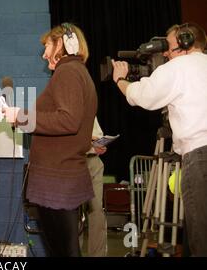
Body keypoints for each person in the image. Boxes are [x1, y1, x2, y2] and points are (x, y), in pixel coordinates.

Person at [112, 22, 207, 256]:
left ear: (185, 42)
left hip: (199, 156)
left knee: (201, 238)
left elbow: (141, 96)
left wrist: (120, 80)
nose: (165, 53)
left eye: (170, 46)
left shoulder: (178, 67)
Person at [12, 23, 98, 256]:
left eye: (47, 46)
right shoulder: (77, 72)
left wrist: (19, 116)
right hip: (62, 178)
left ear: (61, 43)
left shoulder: (68, 72)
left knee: (65, 252)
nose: (44, 54)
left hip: (57, 180)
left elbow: (68, 121)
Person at [81, 117, 108, 256]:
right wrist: (88, 139)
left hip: (93, 161)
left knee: (97, 212)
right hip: (76, 161)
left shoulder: (90, 103)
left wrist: (99, 144)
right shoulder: (67, 101)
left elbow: (97, 134)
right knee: (76, 214)